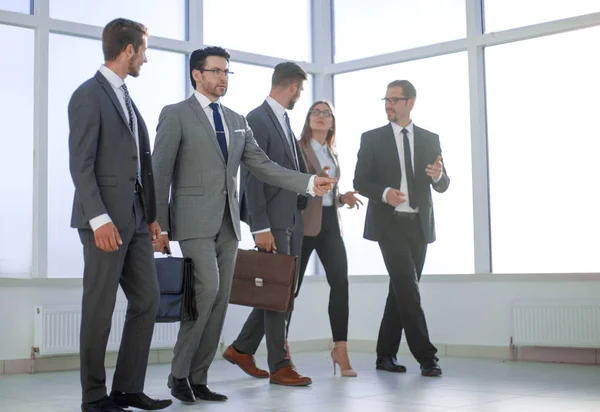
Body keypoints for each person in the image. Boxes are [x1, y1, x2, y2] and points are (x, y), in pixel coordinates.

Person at [152, 47, 336, 403]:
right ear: (197, 74)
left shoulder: (237, 119)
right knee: (204, 292)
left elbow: (262, 165)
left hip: (227, 225)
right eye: (216, 71)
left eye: (226, 72)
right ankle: (178, 373)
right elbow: (160, 173)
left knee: (220, 299)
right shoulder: (176, 115)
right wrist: (157, 226)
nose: (222, 77)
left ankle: (198, 377)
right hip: (192, 222)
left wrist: (309, 183)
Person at [68, 18, 172, 412]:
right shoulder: (87, 95)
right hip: (104, 223)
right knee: (100, 305)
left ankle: (127, 389)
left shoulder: (127, 97)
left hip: (136, 219)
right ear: (129, 49)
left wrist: (150, 217)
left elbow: (137, 163)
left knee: (147, 299)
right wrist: (98, 219)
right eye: (143, 50)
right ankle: (94, 397)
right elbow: (81, 164)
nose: (146, 58)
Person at [223, 62, 312, 387]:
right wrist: (259, 226)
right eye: (299, 90)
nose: (299, 96)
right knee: (278, 294)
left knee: (283, 292)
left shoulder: (284, 121)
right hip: (272, 223)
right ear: (290, 86)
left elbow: (292, 169)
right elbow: (253, 174)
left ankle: (241, 349)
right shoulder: (257, 119)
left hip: (291, 219)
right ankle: (280, 365)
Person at [353, 80, 449, 377]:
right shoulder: (372, 138)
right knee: (409, 288)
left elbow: (444, 183)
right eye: (386, 99)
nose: (389, 104)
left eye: (395, 100)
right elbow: (360, 181)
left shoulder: (430, 138)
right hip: (389, 225)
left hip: (419, 225)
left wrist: (438, 176)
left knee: (400, 291)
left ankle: (385, 356)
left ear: (411, 102)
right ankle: (427, 357)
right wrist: (384, 193)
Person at [292, 100, 362, 378]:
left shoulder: (332, 151)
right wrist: (313, 181)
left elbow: (330, 190)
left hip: (331, 223)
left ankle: (340, 349)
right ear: (308, 119)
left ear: (332, 122)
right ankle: (282, 349)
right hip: (305, 224)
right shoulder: (297, 147)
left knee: (341, 283)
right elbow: (294, 182)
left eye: (326, 114)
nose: (320, 117)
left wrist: (342, 197)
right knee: (290, 289)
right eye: (315, 112)